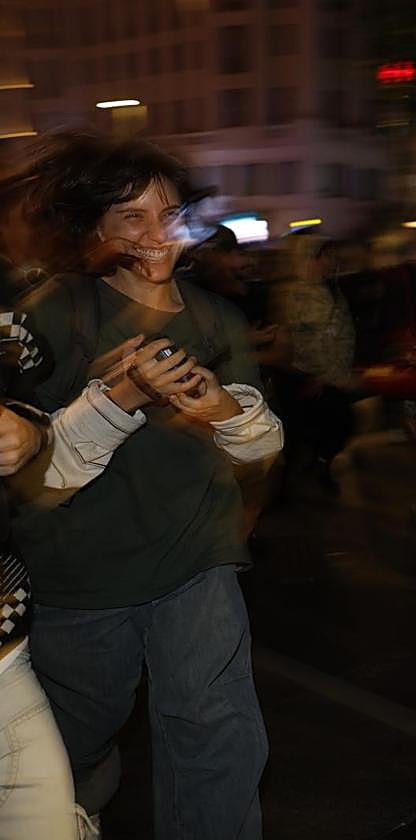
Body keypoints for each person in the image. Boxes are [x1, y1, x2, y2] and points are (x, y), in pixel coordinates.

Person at [13, 133, 283, 839]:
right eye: (131, 216)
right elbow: (37, 468)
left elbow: (259, 445)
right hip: (80, 574)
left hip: (198, 557)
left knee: (218, 734)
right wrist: (122, 396)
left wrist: (222, 409)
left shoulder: (218, 316)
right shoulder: (55, 312)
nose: (156, 233)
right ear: (94, 228)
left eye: (168, 213)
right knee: (73, 744)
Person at [272, 236, 357, 491]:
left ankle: (316, 469)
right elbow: (297, 339)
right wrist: (315, 375)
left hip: (331, 375)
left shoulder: (330, 288)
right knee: (305, 433)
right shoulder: (294, 293)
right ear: (310, 258)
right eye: (326, 256)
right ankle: (287, 487)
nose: (332, 261)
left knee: (336, 426)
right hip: (306, 377)